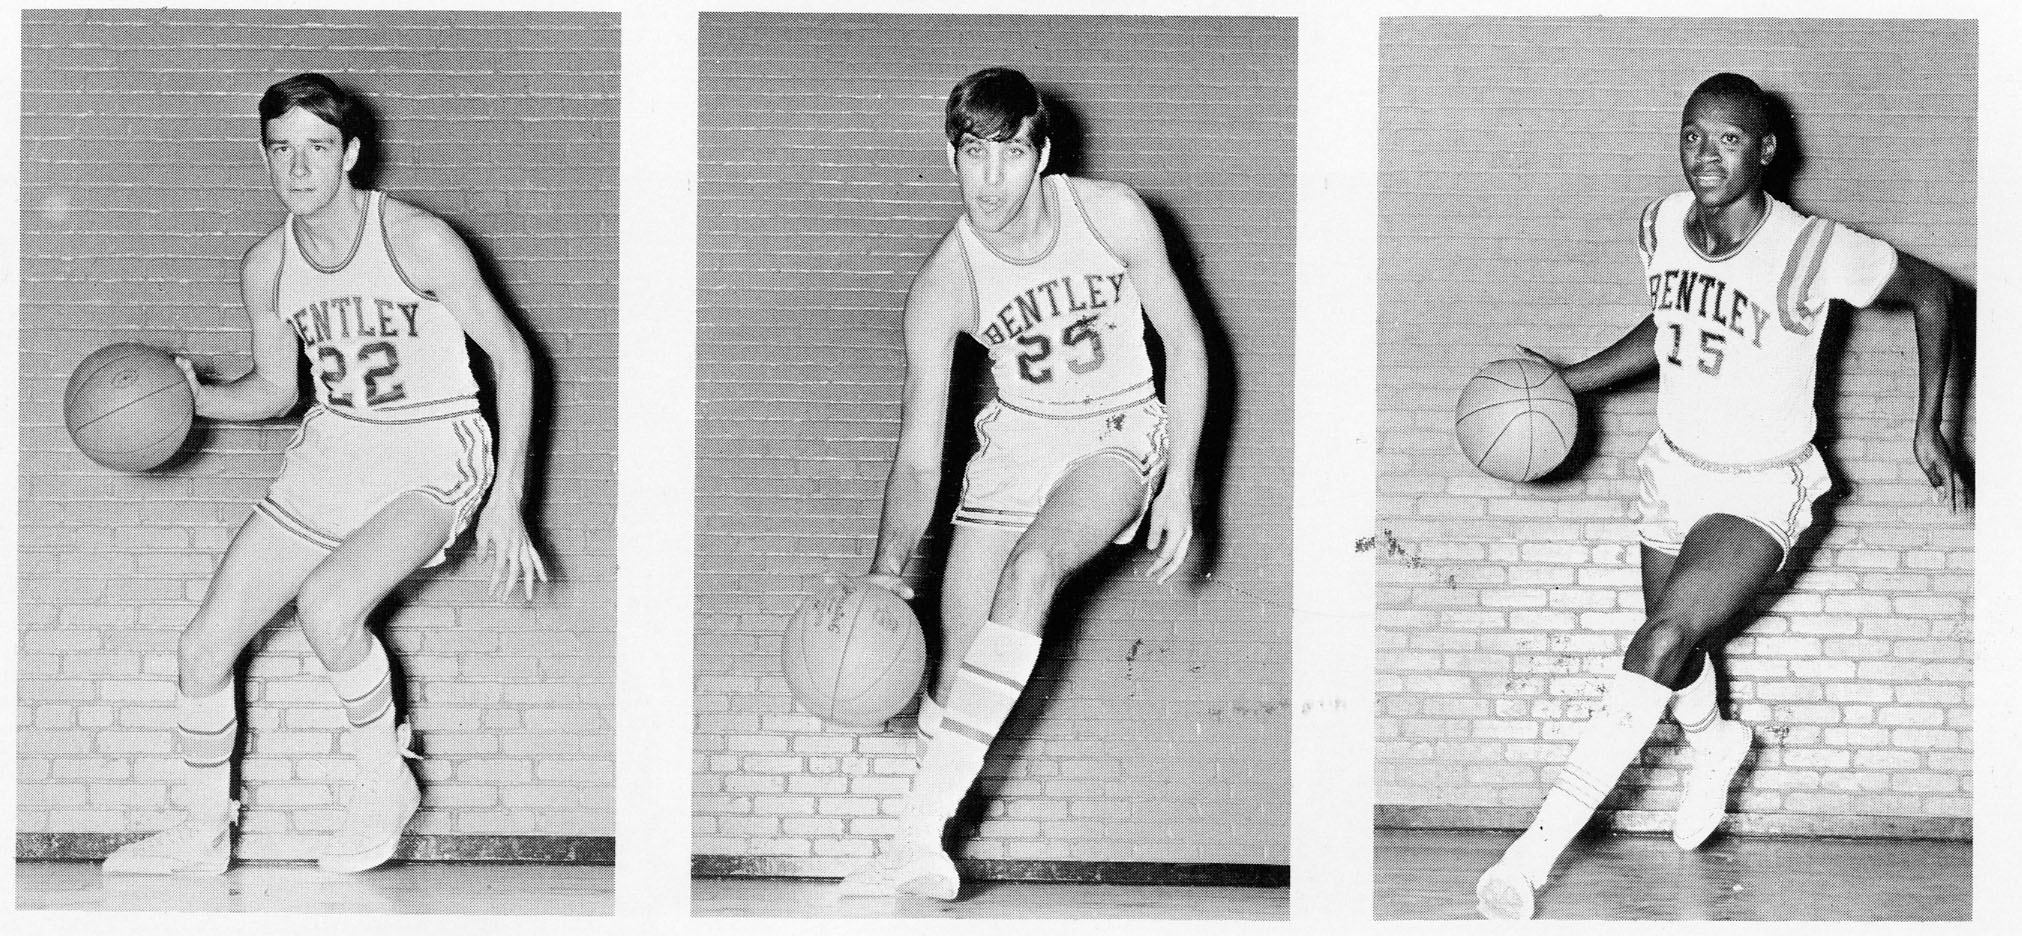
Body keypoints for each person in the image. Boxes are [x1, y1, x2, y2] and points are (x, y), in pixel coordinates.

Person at [1474, 72, 1965, 920]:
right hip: (1675, 467)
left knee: (1661, 638)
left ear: (1766, 151)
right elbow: (1667, 330)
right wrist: (1568, 383)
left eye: (1728, 138)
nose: (1705, 154)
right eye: (1693, 135)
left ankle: (1530, 856)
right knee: (1682, 652)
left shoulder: (1811, 247)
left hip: (1762, 484)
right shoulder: (1661, 222)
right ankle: (1717, 742)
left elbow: (1935, 291)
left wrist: (1929, 426)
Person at [102, 73, 546, 876]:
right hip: (336, 448)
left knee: (330, 604)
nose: (300, 167)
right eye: (282, 150)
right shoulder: (268, 264)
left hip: (431, 446)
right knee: (203, 646)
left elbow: (514, 355)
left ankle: (385, 779)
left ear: (350, 153)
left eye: (316, 147)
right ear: (266, 158)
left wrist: (506, 500)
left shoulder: (417, 239)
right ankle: (204, 834)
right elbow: (276, 391)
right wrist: (193, 399)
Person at [833, 67, 1209, 899]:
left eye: (1008, 153)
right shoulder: (944, 283)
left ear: (1042, 156)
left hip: (1116, 428)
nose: (990, 177)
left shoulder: (1107, 213)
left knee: (1033, 569)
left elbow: (1185, 343)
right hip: (1017, 445)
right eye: (973, 154)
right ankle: (916, 841)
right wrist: (889, 564)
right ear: (951, 156)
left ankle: (921, 834)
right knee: (953, 683)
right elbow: (919, 456)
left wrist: (1179, 481)